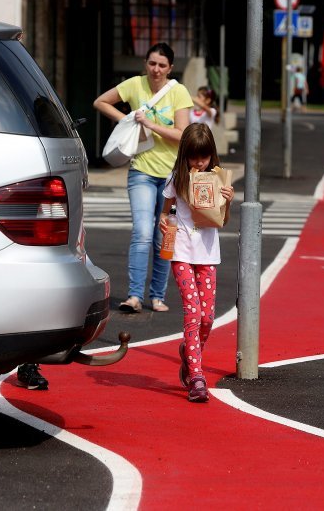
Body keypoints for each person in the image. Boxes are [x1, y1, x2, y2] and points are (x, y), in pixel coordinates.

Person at [94, 43, 193, 313]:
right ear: (145, 63)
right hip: (142, 171)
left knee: (164, 237)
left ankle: (157, 296)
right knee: (141, 233)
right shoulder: (135, 85)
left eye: (162, 65)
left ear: (170, 68)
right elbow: (100, 101)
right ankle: (135, 296)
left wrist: (151, 125)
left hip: (172, 176)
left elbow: (184, 134)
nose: (156, 69)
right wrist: (127, 120)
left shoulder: (179, 92)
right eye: (152, 63)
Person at [159, 123, 234, 403]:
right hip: (181, 252)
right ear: (185, 155)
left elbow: (222, 221)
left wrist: (228, 202)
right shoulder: (176, 177)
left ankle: (189, 356)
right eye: (193, 157)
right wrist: (165, 226)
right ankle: (197, 376)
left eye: (203, 156)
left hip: (207, 253)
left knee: (207, 317)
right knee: (192, 311)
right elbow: (164, 214)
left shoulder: (218, 179)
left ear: (211, 155)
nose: (199, 162)